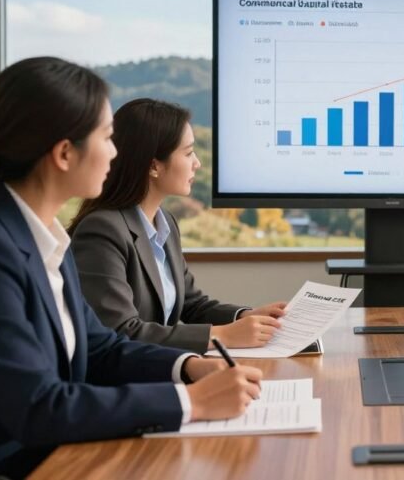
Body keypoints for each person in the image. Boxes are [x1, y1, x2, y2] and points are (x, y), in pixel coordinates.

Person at [0, 58, 262, 478]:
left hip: (60, 455)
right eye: (108, 137)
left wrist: (188, 366)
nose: (115, 151)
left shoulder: (47, 239)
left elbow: (102, 348)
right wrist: (193, 402)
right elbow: (38, 407)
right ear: (64, 153)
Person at [69, 99, 288, 354]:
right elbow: (121, 330)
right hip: (122, 383)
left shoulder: (165, 223)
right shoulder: (102, 230)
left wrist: (245, 316)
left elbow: (192, 304)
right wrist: (222, 335)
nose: (197, 163)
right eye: (188, 153)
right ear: (153, 165)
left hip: (158, 370)